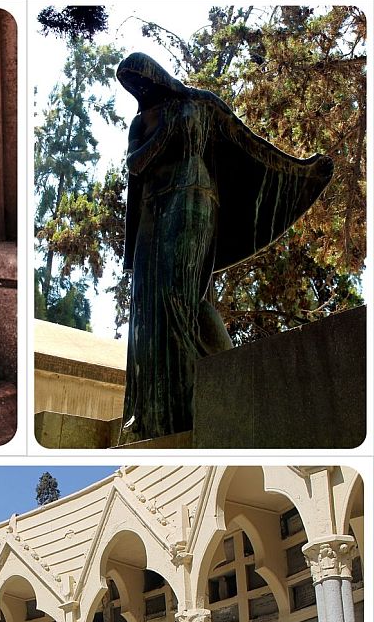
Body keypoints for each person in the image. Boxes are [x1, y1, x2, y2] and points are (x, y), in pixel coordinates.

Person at [117, 52, 333, 442]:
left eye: (141, 79)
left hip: (192, 199)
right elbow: (134, 165)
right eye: (132, 85)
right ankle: (153, 409)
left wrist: (303, 172)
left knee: (175, 296)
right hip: (153, 210)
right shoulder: (142, 121)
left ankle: (187, 399)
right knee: (147, 311)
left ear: (155, 74)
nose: (140, 89)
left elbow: (249, 145)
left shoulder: (200, 103)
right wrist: (165, 134)